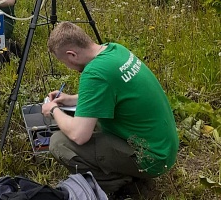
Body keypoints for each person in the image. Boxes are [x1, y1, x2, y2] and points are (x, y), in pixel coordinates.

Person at [41, 22, 178, 195]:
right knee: (90, 122)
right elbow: (111, 93)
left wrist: (53, 110)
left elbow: (79, 135)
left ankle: (117, 183)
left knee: (59, 143)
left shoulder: (94, 73)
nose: (67, 66)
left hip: (151, 158)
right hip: (163, 147)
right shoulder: (113, 50)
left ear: (72, 55)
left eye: (64, 62)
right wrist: (69, 99)